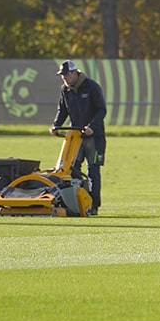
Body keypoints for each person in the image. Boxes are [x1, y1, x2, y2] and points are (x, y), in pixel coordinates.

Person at [51, 60, 107, 215]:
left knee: (93, 170)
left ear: (75, 73)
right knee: (72, 169)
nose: (64, 78)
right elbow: (62, 111)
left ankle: (93, 205)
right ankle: (77, 202)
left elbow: (101, 110)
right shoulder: (65, 90)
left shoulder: (92, 87)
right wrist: (56, 125)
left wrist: (91, 127)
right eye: (62, 76)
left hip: (94, 137)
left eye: (66, 75)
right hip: (75, 136)